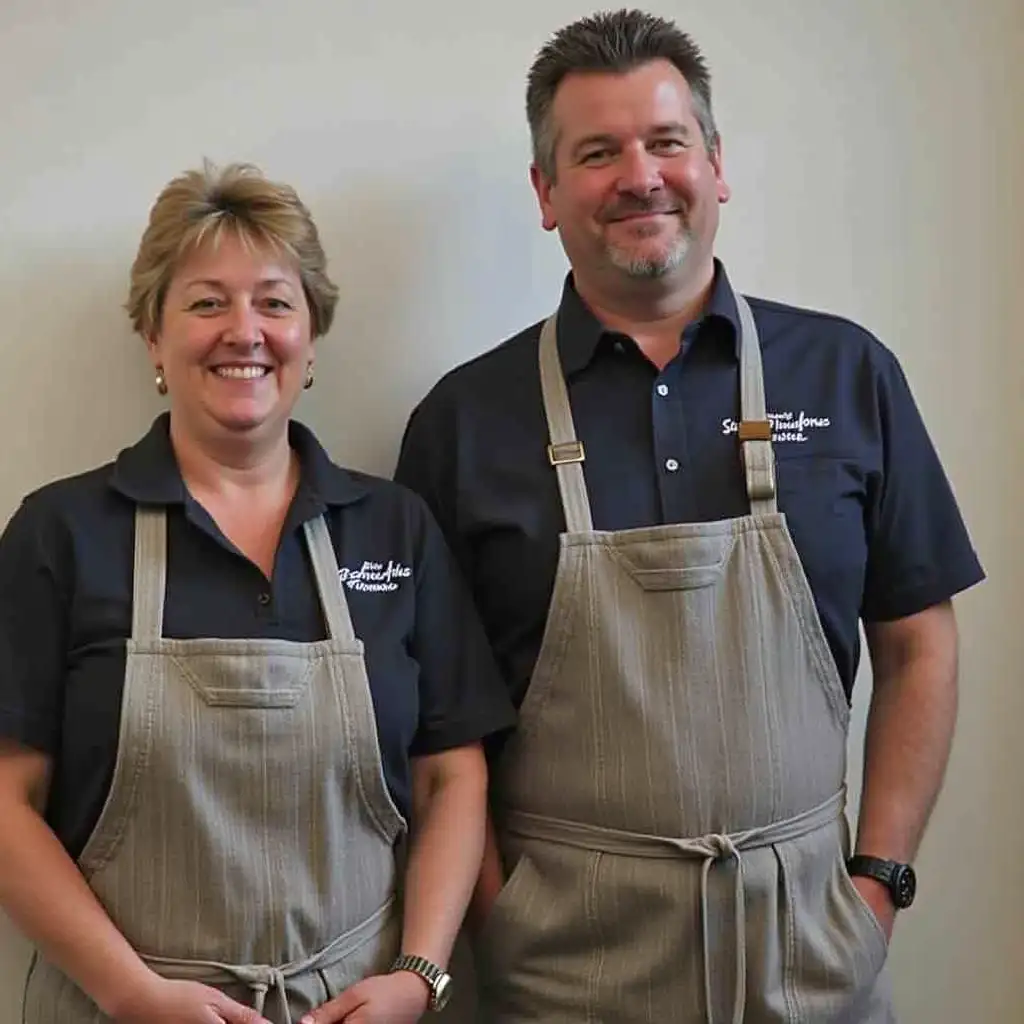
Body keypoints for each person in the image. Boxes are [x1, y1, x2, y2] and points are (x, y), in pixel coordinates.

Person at [394, 9, 985, 1023]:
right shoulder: (464, 420)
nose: (639, 175)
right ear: (545, 192)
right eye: (595, 152)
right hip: (564, 969)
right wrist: (501, 918)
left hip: (813, 949)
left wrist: (877, 882)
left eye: (665, 141)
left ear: (714, 163)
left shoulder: (847, 374)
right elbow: (435, 723)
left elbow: (918, 640)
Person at [0, 161, 515, 1024]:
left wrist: (418, 977)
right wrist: (132, 993)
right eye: (206, 303)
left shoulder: (394, 528)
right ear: (152, 335)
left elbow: (450, 778)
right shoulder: (62, 534)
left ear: (312, 337)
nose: (245, 330)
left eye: (275, 302)